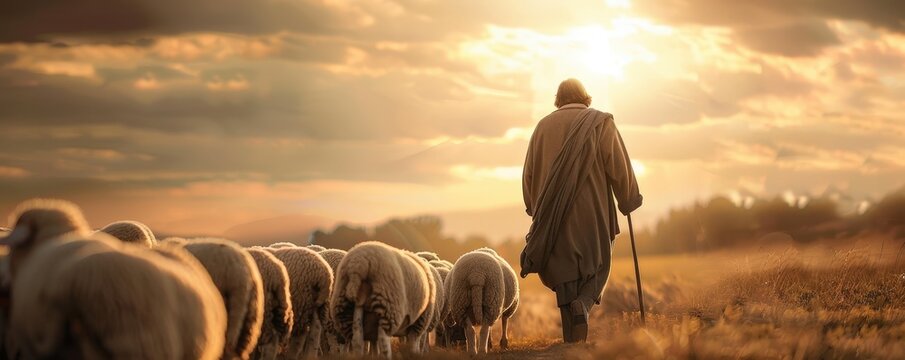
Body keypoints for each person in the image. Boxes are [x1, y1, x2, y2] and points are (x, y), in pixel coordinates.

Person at [520, 78, 643, 343]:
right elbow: (619, 165)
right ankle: (585, 304)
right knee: (599, 264)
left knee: (564, 279)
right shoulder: (600, 123)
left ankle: (571, 345)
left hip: (552, 220)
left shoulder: (541, 127)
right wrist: (628, 198)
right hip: (593, 217)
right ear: (585, 97)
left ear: (558, 100)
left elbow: (528, 176)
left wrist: (536, 210)